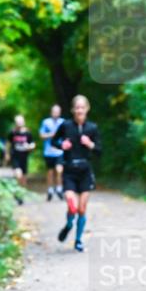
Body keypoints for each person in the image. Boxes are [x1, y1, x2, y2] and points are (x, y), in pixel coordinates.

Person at [52, 95, 101, 252]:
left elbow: (100, 150)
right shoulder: (66, 125)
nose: (80, 110)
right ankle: (68, 225)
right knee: (72, 207)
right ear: (73, 109)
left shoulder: (92, 128)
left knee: (81, 209)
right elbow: (54, 141)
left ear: (87, 109)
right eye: (77, 107)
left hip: (85, 171)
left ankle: (78, 240)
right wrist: (62, 144)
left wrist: (90, 144)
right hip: (69, 170)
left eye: (82, 107)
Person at [40, 104, 66, 201]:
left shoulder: (63, 122)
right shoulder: (46, 122)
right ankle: (50, 189)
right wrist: (53, 135)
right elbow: (42, 135)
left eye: (57, 111)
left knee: (59, 170)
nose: (56, 113)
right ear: (51, 112)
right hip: (48, 152)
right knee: (50, 172)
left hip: (59, 152)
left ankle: (59, 188)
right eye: (54, 111)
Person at [6, 115, 35, 203]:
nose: (19, 124)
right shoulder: (12, 132)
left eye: (20, 122)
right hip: (15, 157)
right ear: (15, 123)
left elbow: (33, 144)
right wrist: (7, 154)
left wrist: (30, 147)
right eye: (17, 122)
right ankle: (17, 193)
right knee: (18, 175)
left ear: (23, 122)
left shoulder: (28, 133)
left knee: (23, 178)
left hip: (24, 157)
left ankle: (21, 194)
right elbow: (8, 143)